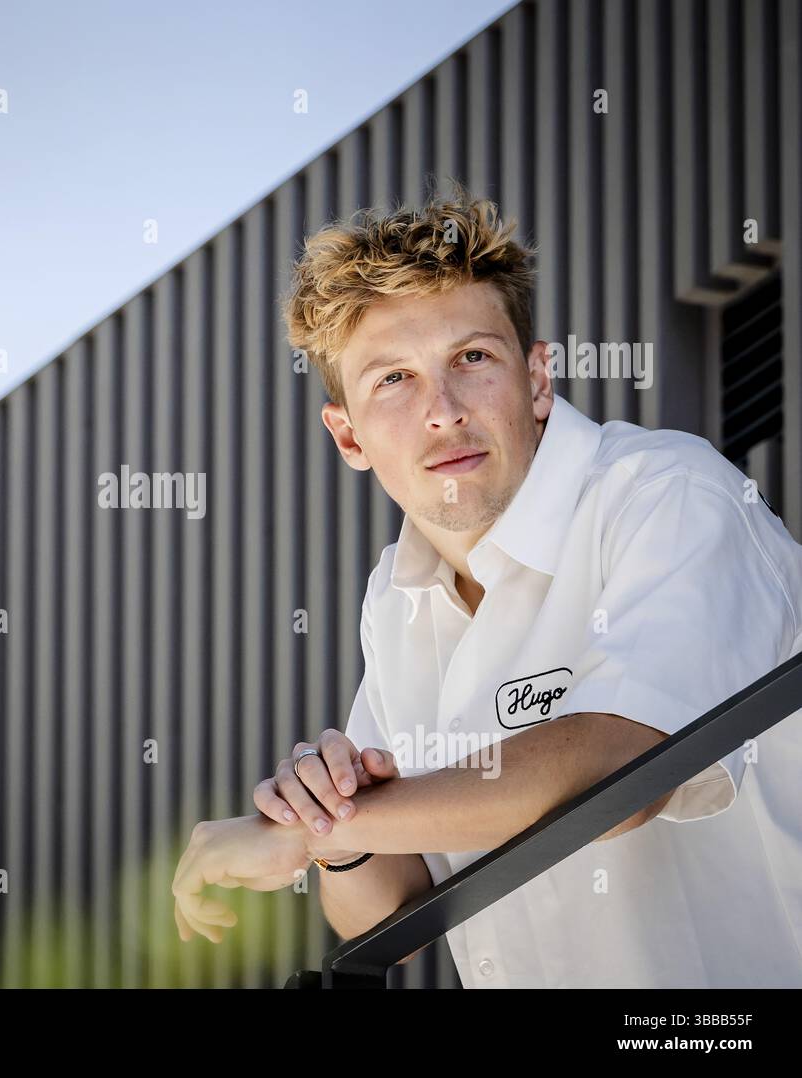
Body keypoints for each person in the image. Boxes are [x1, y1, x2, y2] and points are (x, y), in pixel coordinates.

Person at [171, 185, 802, 988]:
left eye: (472, 358)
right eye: (393, 379)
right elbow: (388, 905)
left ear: (537, 380)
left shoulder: (667, 493)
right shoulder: (393, 599)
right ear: (348, 434)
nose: (442, 411)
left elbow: (627, 767)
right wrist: (337, 829)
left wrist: (317, 828)